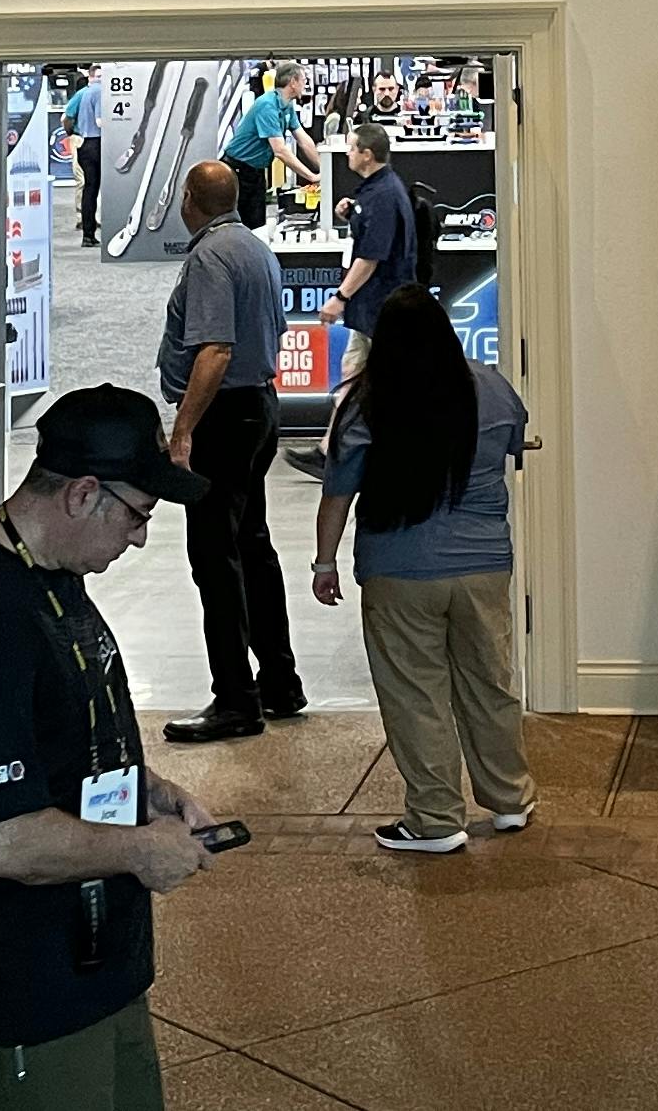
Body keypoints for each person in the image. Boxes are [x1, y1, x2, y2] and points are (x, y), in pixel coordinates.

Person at [0, 386, 225, 1108]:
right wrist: (140, 850)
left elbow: (61, 729)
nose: (141, 536)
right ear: (85, 494)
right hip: (22, 986)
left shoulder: (52, 570)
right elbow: (2, 841)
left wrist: (150, 789)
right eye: (139, 515)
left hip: (96, 961)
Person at [312, 289, 537, 855]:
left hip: (399, 567)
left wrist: (324, 561)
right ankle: (510, 799)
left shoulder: (366, 403)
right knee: (490, 682)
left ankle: (435, 820)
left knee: (416, 693)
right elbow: (516, 445)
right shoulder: (490, 386)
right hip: (484, 564)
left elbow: (338, 492)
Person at [155, 161, 301, 741]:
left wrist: (183, 429)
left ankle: (236, 699)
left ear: (190, 199)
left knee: (214, 556)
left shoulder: (211, 256)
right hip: (260, 407)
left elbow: (215, 349)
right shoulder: (255, 248)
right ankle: (280, 682)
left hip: (227, 414)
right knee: (252, 544)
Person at [317, 121, 417, 371]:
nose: (347, 153)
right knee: (351, 373)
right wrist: (353, 214)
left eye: (351, 149)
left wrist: (340, 297)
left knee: (380, 379)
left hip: (383, 307)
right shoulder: (376, 189)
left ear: (367, 156)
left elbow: (370, 257)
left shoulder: (383, 196)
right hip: (371, 307)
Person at [216, 62, 324, 230]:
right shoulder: (268, 105)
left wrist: (324, 170)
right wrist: (311, 176)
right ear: (293, 82)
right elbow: (280, 150)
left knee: (257, 224)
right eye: (304, 80)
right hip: (236, 170)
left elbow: (304, 140)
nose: (305, 84)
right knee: (239, 225)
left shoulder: (286, 106)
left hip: (255, 171)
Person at [67, 70, 108, 247]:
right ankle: (90, 232)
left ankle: (88, 233)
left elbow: (67, 116)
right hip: (96, 143)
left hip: (84, 142)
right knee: (94, 188)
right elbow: (100, 121)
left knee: (89, 189)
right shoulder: (99, 91)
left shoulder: (84, 92)